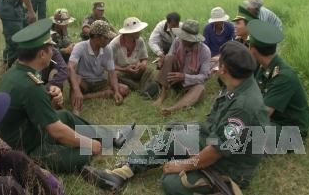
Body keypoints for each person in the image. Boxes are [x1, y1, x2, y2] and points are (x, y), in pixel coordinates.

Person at [82, 41, 269, 194]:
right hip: (215, 139)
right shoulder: (239, 81)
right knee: (170, 135)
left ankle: (219, 187)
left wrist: (184, 165)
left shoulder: (243, 105)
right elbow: (216, 128)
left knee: (172, 182)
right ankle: (121, 173)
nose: (216, 63)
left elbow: (217, 151)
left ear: (224, 70)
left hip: (231, 164)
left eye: (220, 62)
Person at [0, 19, 133, 173]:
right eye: (51, 49)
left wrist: (51, 95)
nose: (53, 53)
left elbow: (29, 106)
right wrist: (89, 144)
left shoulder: (16, 72)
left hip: (32, 131)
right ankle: (96, 143)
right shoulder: (30, 85)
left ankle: (112, 136)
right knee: (80, 156)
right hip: (25, 148)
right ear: (41, 54)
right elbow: (56, 131)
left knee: (66, 116)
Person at [247, 20, 309, 138]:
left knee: (242, 132)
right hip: (275, 120)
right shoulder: (264, 66)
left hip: (292, 131)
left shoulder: (283, 76)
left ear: (253, 50)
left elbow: (262, 115)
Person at [68, 20, 130, 115]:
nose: (109, 40)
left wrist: (116, 91)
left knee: (124, 89)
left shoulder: (107, 49)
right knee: (76, 80)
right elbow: (70, 68)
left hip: (99, 81)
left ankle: (86, 97)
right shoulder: (80, 47)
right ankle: (77, 105)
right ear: (97, 37)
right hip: (83, 82)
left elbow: (112, 72)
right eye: (106, 37)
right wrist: (76, 89)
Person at [153, 20, 211, 115]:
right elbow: (170, 57)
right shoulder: (177, 41)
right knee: (169, 57)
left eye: (186, 39)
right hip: (173, 78)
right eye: (182, 37)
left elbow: (204, 76)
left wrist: (184, 77)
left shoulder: (205, 51)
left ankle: (172, 109)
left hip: (189, 84)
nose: (183, 40)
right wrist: (162, 62)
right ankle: (162, 95)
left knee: (200, 88)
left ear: (193, 40)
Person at [109, 17, 156, 94]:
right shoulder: (114, 44)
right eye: (138, 31)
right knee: (115, 75)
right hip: (121, 71)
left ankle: (138, 87)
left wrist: (143, 64)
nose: (140, 32)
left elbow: (144, 58)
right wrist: (125, 69)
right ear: (130, 33)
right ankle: (141, 88)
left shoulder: (140, 40)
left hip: (135, 69)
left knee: (149, 70)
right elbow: (109, 66)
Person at [203, 7, 235, 71]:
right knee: (206, 69)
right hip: (211, 57)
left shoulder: (230, 27)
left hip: (226, 56)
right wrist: (210, 58)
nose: (217, 23)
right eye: (216, 21)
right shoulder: (207, 28)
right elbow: (205, 46)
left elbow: (233, 45)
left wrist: (221, 56)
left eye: (219, 21)